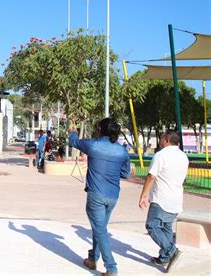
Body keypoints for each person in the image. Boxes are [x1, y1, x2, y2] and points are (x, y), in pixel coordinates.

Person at [68, 118, 130, 276]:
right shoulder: (122, 151)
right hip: (113, 195)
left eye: (97, 127)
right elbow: (125, 173)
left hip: (96, 194)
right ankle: (92, 259)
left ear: (101, 129)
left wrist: (73, 131)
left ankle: (111, 268)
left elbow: (73, 141)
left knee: (100, 230)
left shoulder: (93, 144)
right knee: (100, 228)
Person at [139, 130, 188, 273]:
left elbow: (151, 176)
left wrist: (143, 195)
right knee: (166, 227)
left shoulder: (161, 155)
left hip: (161, 198)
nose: (159, 140)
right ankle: (165, 258)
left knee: (152, 226)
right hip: (176, 199)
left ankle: (172, 251)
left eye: (161, 138)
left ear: (166, 140)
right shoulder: (183, 156)